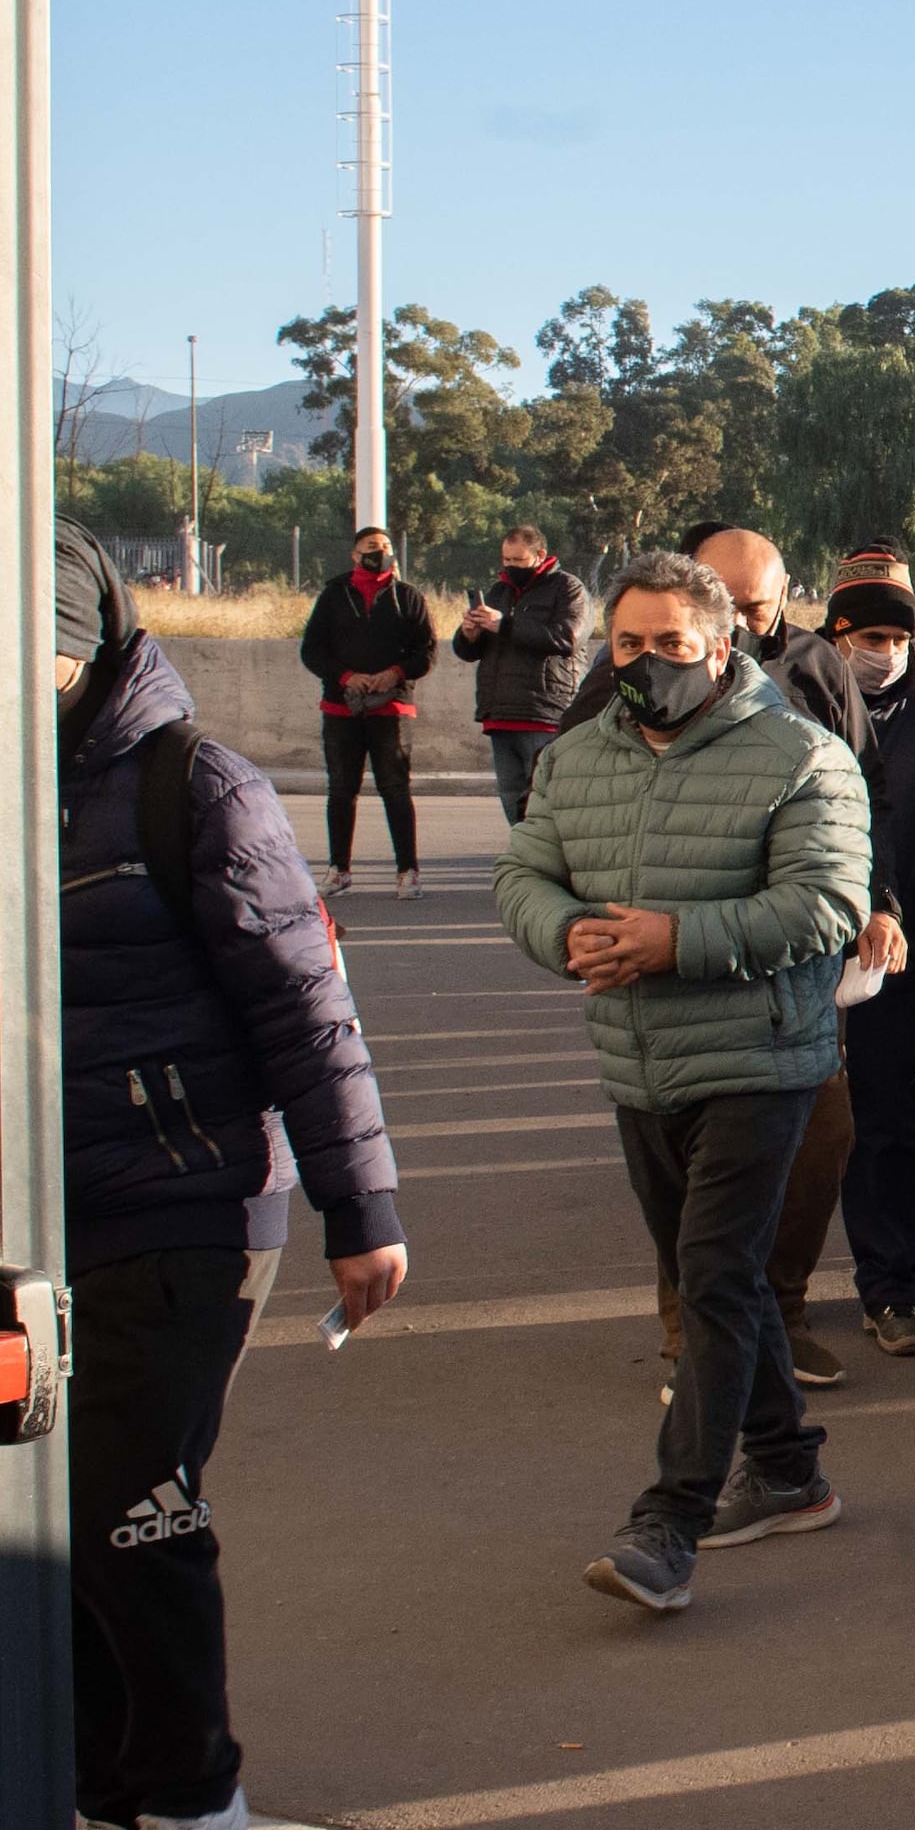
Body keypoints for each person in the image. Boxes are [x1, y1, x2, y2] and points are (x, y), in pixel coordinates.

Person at [51, 526, 408, 1830]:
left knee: (132, 1503)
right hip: (24, 1216)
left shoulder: (193, 786)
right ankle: (93, 1789)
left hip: (186, 1199)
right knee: (40, 1525)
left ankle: (192, 1798)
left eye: (37, 642)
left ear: (93, 638)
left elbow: (303, 1009)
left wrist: (360, 1206)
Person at [494, 550, 872, 1617]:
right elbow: (521, 872)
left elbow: (827, 904)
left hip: (758, 1055)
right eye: (628, 643)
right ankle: (791, 1470)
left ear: (721, 643)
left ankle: (669, 1518)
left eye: (669, 642)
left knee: (709, 1274)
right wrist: (567, 931)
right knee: (719, 1276)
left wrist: (677, 939)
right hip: (637, 1059)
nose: (646, 662)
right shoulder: (578, 759)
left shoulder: (801, 755)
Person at [766, 559, 915, 1363]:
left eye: (900, 637)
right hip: (788, 956)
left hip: (894, 963)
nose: (888, 651)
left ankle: (891, 1290)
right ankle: (767, 1301)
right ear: (836, 638)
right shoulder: (785, 707)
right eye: (871, 637)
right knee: (778, 1132)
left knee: (887, 1127)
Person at [298, 522, 437, 896]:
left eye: (386, 546)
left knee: (395, 788)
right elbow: (311, 650)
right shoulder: (333, 595)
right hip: (341, 708)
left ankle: (408, 871)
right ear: (355, 555)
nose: (381, 551)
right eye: (372, 546)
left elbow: (426, 653)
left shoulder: (408, 597)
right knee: (342, 789)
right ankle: (339, 869)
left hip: (391, 708)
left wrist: (395, 673)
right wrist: (345, 676)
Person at [450, 523, 589, 824]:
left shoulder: (567, 587)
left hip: (543, 710)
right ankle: (522, 854)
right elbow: (470, 651)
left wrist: (506, 624)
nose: (511, 567)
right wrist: (469, 633)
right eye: (506, 561)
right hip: (499, 711)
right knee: (510, 792)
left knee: (542, 793)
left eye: (518, 561)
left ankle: (549, 859)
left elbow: (567, 638)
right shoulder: (499, 591)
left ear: (540, 555)